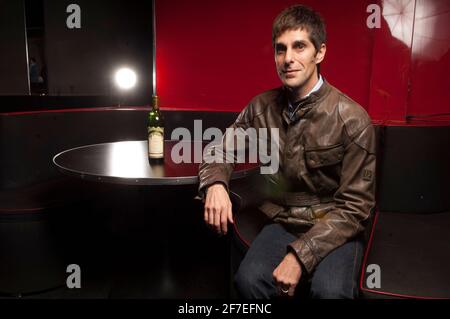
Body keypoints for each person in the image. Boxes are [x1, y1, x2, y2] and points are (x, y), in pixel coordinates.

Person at [198, 4, 376, 299]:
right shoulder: (261, 107)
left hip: (336, 228)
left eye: (299, 47)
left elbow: (356, 208)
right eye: (280, 50)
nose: (288, 59)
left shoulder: (353, 119)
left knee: (330, 292)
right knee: (248, 281)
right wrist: (215, 182)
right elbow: (220, 147)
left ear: (320, 53)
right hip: (285, 220)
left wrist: (299, 256)